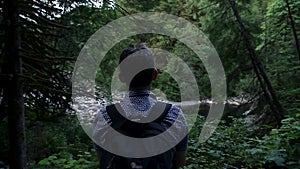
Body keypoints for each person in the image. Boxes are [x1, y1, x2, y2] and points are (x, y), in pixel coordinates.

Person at [92, 43, 188, 169]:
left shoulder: (104, 118)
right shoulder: (175, 116)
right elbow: (179, 163)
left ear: (121, 77)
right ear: (155, 75)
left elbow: (104, 162)